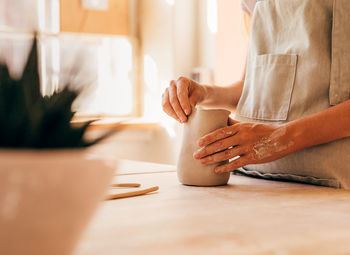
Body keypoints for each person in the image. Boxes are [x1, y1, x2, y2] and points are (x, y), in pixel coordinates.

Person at [162, 0, 350, 188]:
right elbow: (253, 87)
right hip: (252, 177)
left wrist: (282, 137)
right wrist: (205, 93)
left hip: (333, 182)